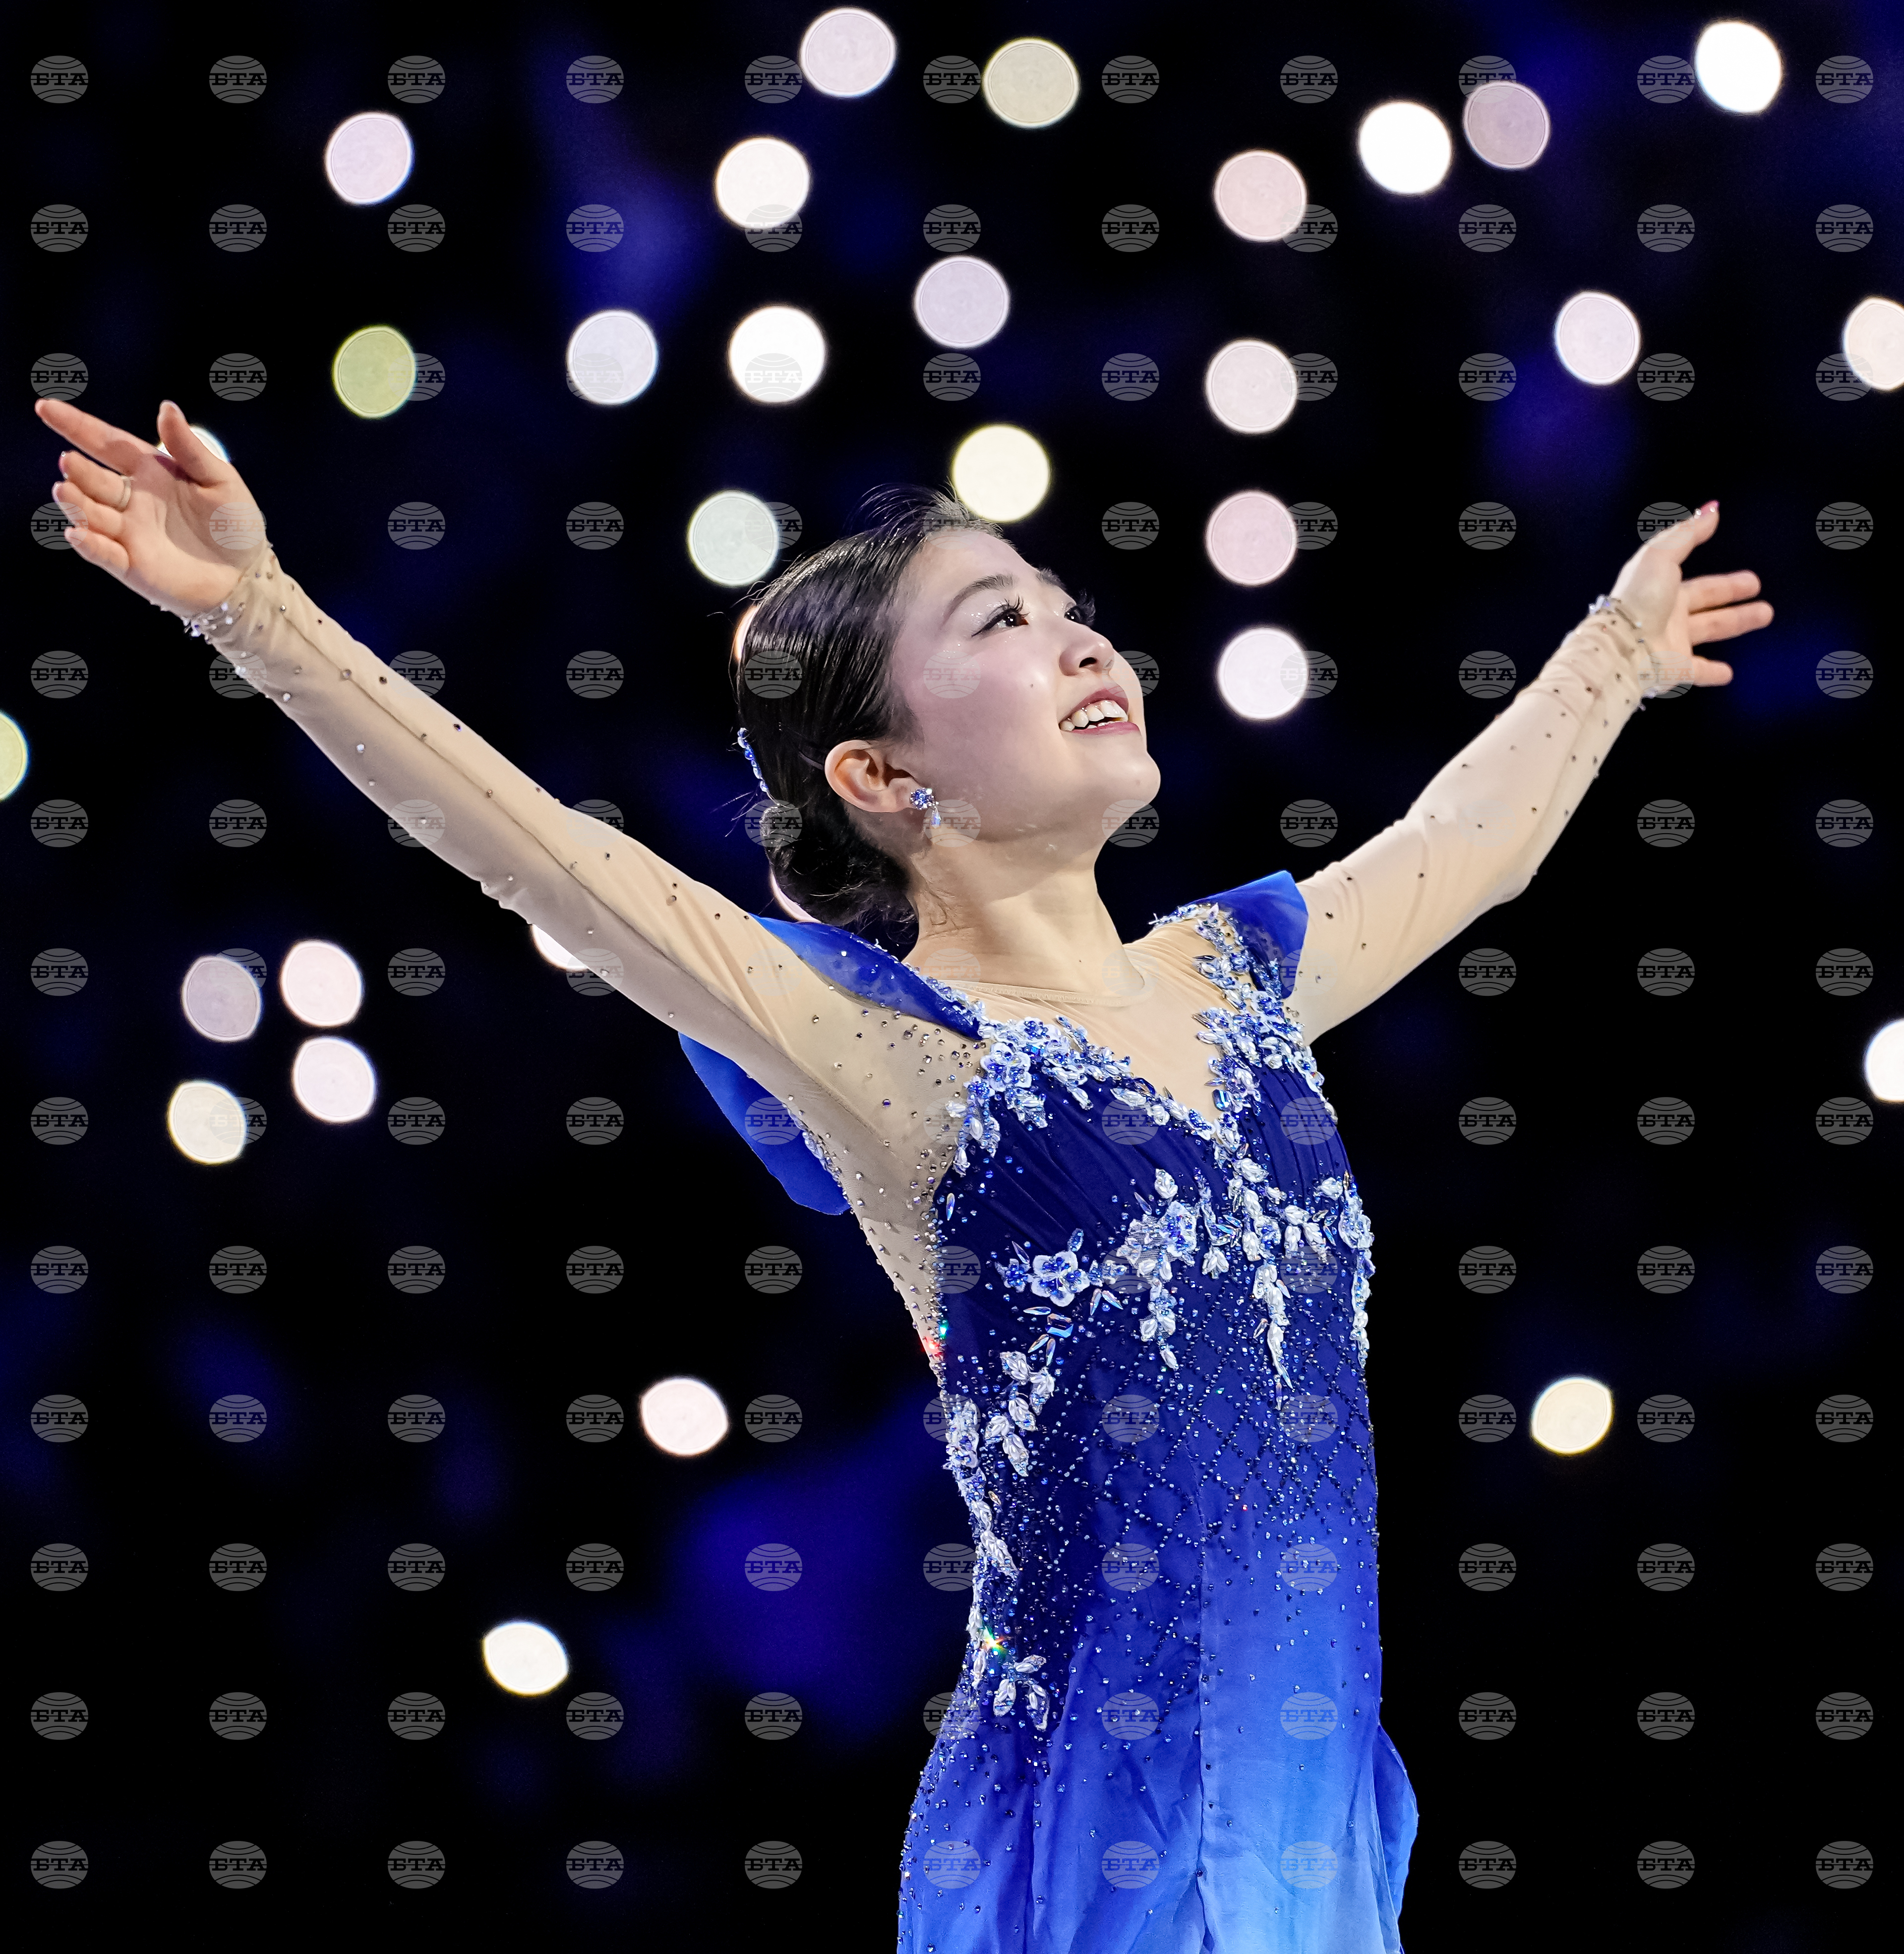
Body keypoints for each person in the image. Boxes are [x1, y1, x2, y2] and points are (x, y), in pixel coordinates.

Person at [36, 395, 1772, 1951]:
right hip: (1105, 1839)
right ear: (879, 774)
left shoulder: (1237, 978)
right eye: (1000, 622)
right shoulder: (899, 1061)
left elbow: (1461, 852)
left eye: (1068, 605)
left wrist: (1613, 654)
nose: (1081, 637)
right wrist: (259, 615)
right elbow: (546, 861)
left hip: (1311, 1806)